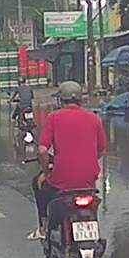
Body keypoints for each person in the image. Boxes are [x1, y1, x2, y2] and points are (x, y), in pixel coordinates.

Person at [29, 81, 107, 241]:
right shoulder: (94, 118)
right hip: (89, 180)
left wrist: (46, 172)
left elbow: (42, 150)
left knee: (38, 183)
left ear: (61, 100)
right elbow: (102, 150)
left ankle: (43, 228)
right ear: (80, 99)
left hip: (61, 180)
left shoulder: (53, 117)